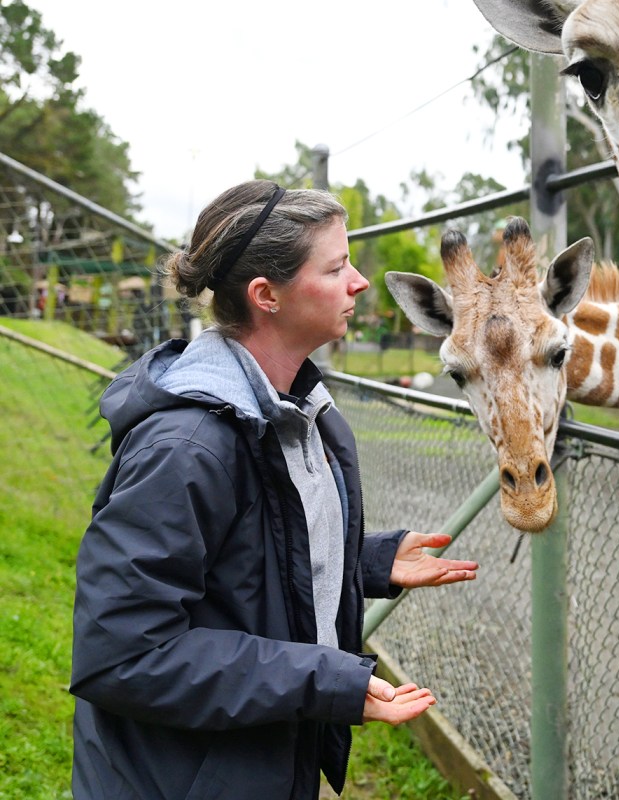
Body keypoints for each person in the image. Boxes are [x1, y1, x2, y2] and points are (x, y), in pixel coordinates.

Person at [70, 179, 479, 799]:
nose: (360, 282)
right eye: (337, 267)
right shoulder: (187, 449)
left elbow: (245, 549)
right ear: (267, 296)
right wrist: (325, 682)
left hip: (254, 767)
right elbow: (123, 654)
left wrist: (366, 558)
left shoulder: (297, 409)